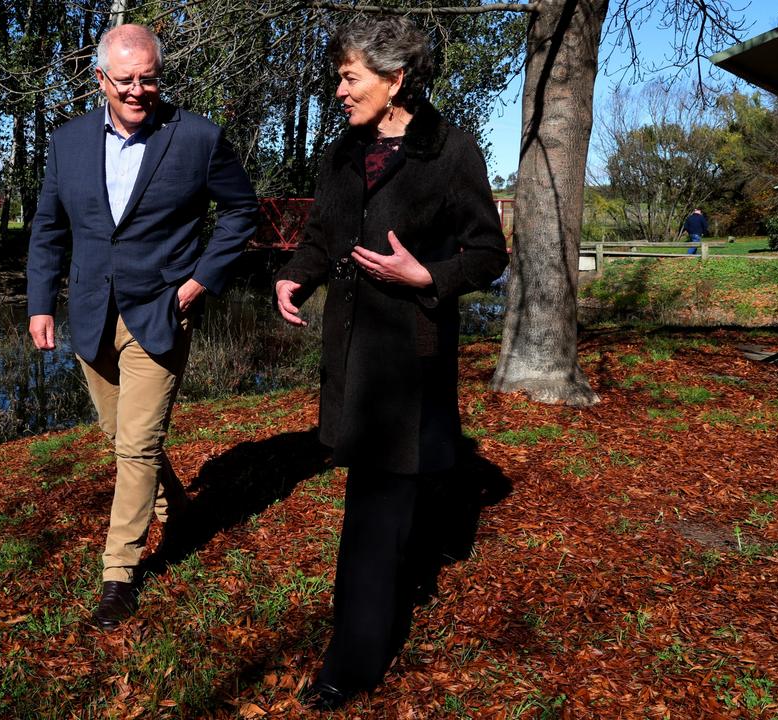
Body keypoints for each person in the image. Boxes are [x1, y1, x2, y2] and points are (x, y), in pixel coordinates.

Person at [273, 17, 508, 710]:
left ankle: (353, 661)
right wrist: (297, 275)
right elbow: (324, 232)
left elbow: (488, 254)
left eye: (350, 79)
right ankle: (368, 619)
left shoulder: (450, 152)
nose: (339, 92)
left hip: (408, 362)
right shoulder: (344, 151)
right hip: (350, 360)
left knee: (374, 510)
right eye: (339, 79)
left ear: (395, 79)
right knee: (374, 501)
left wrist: (424, 275)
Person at [26, 23, 258, 629]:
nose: (137, 90)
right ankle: (176, 504)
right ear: (100, 79)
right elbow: (49, 228)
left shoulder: (198, 138)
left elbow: (242, 211)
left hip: (161, 312)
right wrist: (40, 304)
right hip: (91, 316)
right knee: (120, 433)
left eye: (148, 78)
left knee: (135, 447)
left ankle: (118, 575)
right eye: (124, 79)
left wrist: (198, 281)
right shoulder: (67, 143)